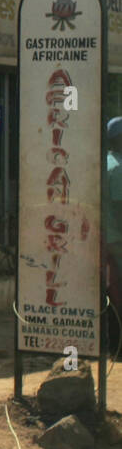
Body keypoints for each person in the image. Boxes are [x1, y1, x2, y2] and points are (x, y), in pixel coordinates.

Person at [105, 117, 122, 353]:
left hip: (107, 237)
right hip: (117, 238)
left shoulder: (107, 162)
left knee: (113, 291)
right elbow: (120, 208)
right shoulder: (117, 168)